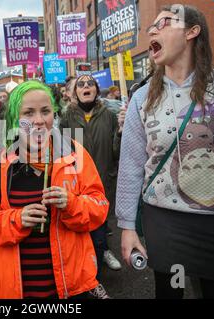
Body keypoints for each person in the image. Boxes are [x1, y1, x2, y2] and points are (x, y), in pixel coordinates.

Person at [116, 5, 214, 299]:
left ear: (193, 31)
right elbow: (130, 165)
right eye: (150, 26)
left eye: (163, 22)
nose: (152, 30)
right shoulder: (142, 98)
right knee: (173, 293)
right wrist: (127, 227)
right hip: (168, 225)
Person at [0, 81, 110, 299]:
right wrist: (17, 219)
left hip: (71, 286)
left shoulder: (75, 153)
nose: (38, 120)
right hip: (16, 288)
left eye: (45, 111)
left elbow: (100, 207)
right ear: (14, 119)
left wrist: (71, 204)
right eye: (28, 113)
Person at [60, 76, 123, 279]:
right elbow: (62, 152)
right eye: (81, 84)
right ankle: (87, 266)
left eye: (90, 84)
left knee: (101, 221)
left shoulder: (110, 116)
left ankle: (102, 252)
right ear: (74, 93)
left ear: (96, 90)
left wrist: (121, 133)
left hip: (104, 177)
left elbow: (117, 153)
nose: (86, 86)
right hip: (77, 181)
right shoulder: (67, 117)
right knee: (83, 224)